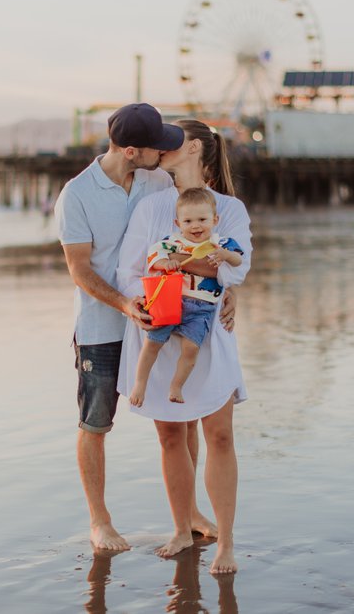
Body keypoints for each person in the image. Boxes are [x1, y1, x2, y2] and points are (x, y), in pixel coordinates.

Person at [54, 103, 229, 551]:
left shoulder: (155, 180)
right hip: (102, 325)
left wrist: (230, 290)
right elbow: (79, 269)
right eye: (158, 146)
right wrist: (123, 303)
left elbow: (201, 223)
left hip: (163, 317)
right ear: (132, 150)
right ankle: (100, 521)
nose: (166, 151)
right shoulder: (76, 195)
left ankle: (188, 512)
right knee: (95, 422)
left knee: (179, 419)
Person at [117, 119, 251, 574]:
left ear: (194, 147)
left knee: (220, 434)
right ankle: (180, 528)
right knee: (171, 434)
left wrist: (187, 269)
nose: (161, 149)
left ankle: (226, 543)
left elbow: (237, 268)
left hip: (210, 332)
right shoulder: (150, 206)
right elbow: (130, 269)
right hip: (159, 322)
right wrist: (147, 292)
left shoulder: (230, 208)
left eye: (171, 143)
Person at [130, 188, 244, 406]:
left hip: (203, 307)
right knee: (153, 343)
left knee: (191, 348)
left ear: (215, 219)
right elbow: (154, 257)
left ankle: (176, 385)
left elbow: (239, 261)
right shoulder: (172, 242)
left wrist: (225, 255)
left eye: (202, 219)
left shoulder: (221, 243)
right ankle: (140, 383)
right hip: (173, 301)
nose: (195, 226)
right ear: (178, 223)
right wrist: (167, 263)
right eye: (188, 221)